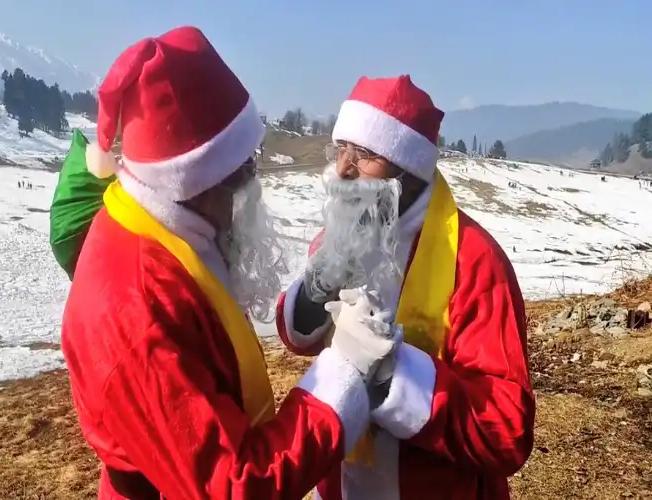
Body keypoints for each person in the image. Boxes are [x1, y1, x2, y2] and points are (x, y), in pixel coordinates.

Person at [61, 27, 400, 500]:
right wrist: (344, 372)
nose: (253, 182)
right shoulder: (138, 306)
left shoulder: (165, 229)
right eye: (242, 170)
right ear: (196, 179)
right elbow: (234, 485)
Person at [275, 75, 535, 499]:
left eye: (365, 153)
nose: (343, 168)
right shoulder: (339, 234)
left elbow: (506, 431)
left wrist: (390, 373)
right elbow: (299, 338)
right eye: (341, 148)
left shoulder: (473, 260)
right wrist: (314, 289)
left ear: (409, 169)